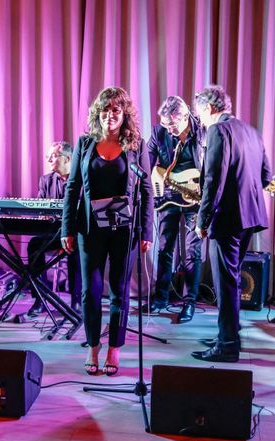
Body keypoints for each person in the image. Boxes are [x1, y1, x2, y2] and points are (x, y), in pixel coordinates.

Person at [61, 86, 153, 376]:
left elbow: (148, 190)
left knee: (119, 291)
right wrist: (67, 228)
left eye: (115, 110)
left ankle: (114, 348)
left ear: (124, 114)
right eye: (105, 109)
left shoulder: (136, 145)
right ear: (97, 113)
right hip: (90, 229)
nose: (109, 115)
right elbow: (72, 187)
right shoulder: (85, 143)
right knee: (91, 291)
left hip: (124, 231)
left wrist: (147, 231)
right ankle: (92, 347)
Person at [191, 85, 271, 362]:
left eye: (199, 113)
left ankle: (227, 345)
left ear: (209, 108)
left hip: (227, 218)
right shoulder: (250, 131)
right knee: (232, 278)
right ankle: (229, 333)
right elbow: (266, 176)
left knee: (224, 281)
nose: (199, 119)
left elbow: (213, 180)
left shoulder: (218, 131)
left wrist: (203, 219)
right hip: (250, 216)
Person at [144, 95, 204, 323]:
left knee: (192, 252)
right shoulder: (159, 133)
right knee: (165, 248)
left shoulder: (202, 132)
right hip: (168, 198)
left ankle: (189, 303)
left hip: (195, 198)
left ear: (185, 116)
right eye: (165, 125)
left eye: (173, 125)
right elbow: (146, 162)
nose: (169, 130)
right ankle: (161, 297)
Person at [26, 141, 82, 317]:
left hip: (75, 234)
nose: (49, 159)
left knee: (76, 248)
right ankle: (40, 297)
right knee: (34, 245)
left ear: (67, 158)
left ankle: (77, 299)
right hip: (53, 233)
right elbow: (40, 206)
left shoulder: (81, 178)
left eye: (53, 156)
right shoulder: (46, 180)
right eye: (48, 156)